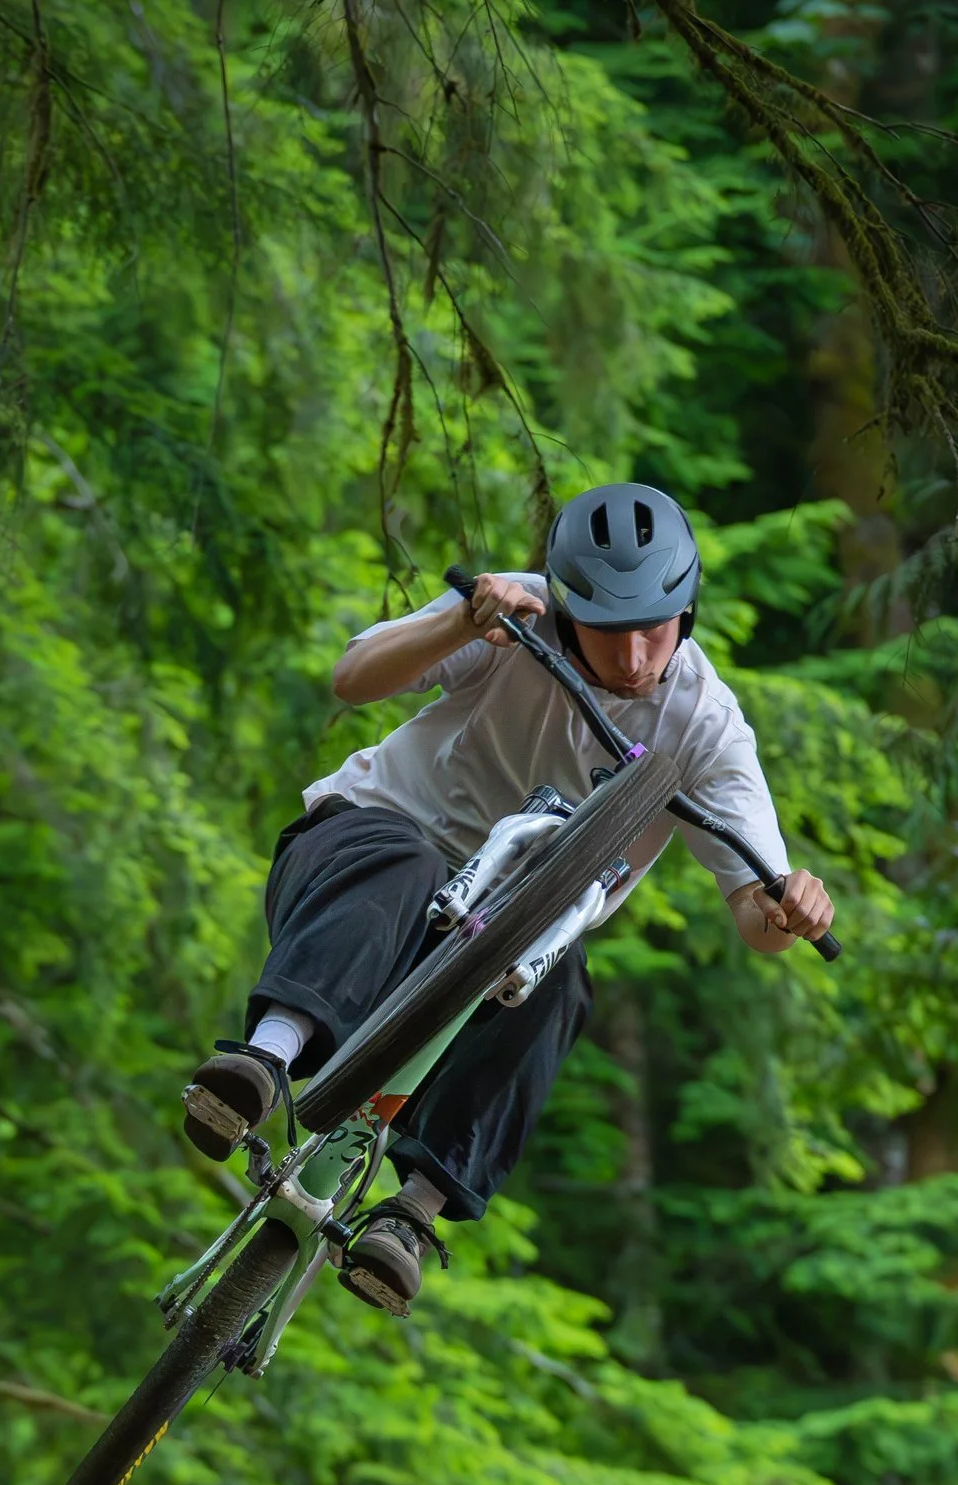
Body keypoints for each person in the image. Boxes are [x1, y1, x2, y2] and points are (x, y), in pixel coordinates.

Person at [181, 482, 837, 1313]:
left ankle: (411, 1215)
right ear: (566, 611)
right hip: (360, 867)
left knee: (564, 976)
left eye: (654, 630)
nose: (633, 657)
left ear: (688, 613)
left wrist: (791, 910)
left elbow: (758, 914)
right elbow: (353, 679)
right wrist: (461, 623)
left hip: (500, 950)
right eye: (606, 632)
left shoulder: (706, 725)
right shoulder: (509, 617)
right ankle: (262, 1063)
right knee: (406, 859)